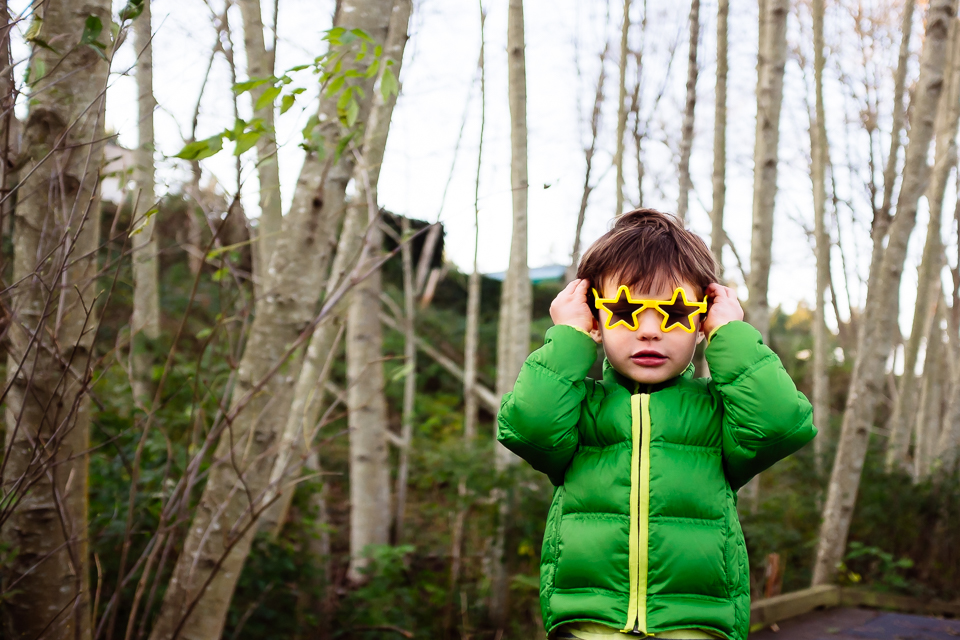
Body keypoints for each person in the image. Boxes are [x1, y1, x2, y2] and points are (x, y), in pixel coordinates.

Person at [496, 209, 817, 640]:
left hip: (697, 627)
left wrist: (730, 334)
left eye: (677, 311)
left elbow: (780, 424)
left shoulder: (716, 412)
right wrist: (569, 338)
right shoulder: (580, 407)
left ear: (702, 321)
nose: (650, 330)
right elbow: (529, 427)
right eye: (627, 309)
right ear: (596, 318)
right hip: (590, 628)